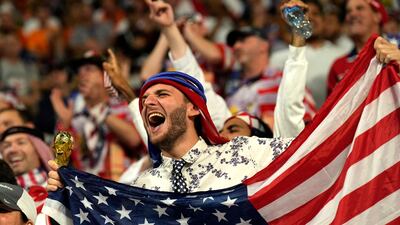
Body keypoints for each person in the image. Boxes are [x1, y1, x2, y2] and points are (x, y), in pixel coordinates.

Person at [47, 0, 313, 193]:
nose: (148, 102)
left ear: (194, 109)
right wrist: (66, 190)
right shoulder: (145, 187)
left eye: (162, 94)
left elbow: (296, 136)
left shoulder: (245, 152)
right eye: (145, 99)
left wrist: (298, 42)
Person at [50, 50, 145, 180]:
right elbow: (59, 160)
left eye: (89, 69)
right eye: (79, 72)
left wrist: (96, 108)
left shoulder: (122, 105)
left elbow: (134, 139)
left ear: (105, 76)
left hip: (125, 185)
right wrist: (64, 126)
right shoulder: (75, 114)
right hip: (91, 193)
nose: (82, 75)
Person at [327, 0, 389, 95]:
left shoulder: (396, 53)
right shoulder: (338, 66)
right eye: (348, 11)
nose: (353, 14)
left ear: (377, 16)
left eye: (360, 8)